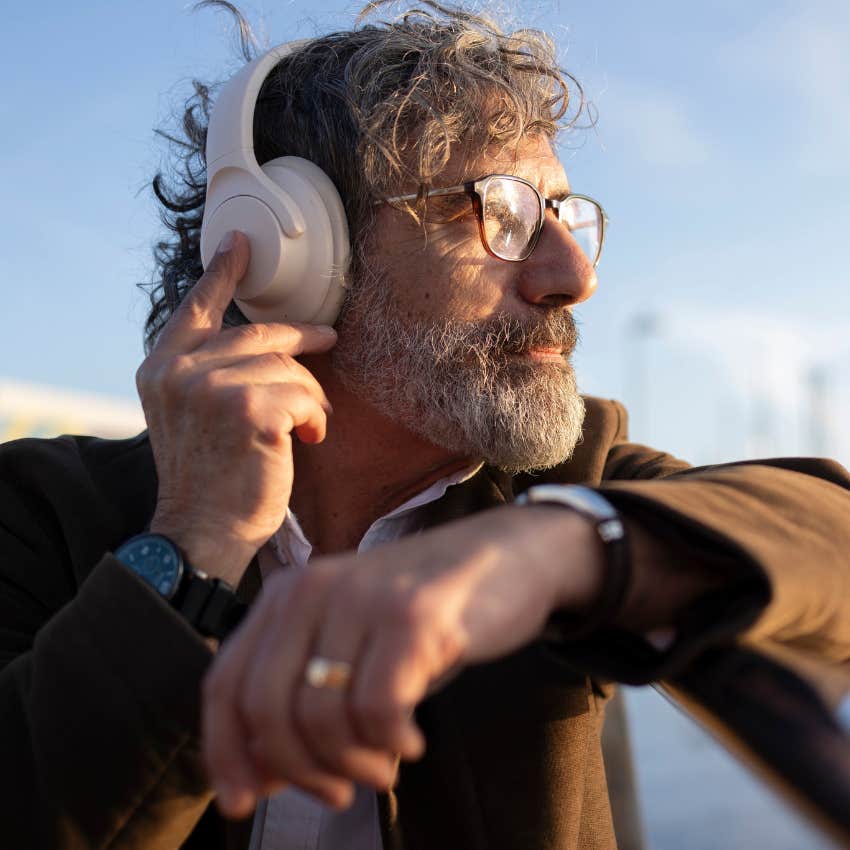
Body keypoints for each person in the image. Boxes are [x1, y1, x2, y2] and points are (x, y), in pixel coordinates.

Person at [3, 3, 850, 849]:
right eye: (501, 215)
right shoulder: (39, 511)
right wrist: (192, 545)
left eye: (563, 215)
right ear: (288, 254)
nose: (575, 276)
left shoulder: (567, 487)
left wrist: (560, 550)